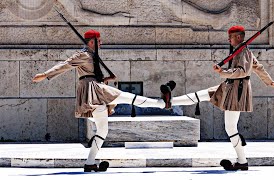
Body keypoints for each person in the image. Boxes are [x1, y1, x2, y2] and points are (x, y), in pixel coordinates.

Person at [32, 29, 172, 172]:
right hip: (94, 90)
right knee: (127, 97)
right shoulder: (84, 55)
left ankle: (90, 163)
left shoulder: (92, 55)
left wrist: (107, 79)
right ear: (92, 42)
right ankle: (161, 103)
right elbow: (65, 65)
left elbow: (91, 74)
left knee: (103, 130)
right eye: (99, 41)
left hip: (94, 90)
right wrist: (45, 75)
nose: (101, 43)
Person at [165, 25, 274, 171]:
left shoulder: (244, 52)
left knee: (230, 127)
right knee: (202, 94)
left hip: (236, 91)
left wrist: (223, 71)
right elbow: (258, 67)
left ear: (238, 37)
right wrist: (270, 81)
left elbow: (242, 71)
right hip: (228, 86)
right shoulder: (242, 51)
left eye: (231, 37)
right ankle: (170, 101)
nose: (228, 39)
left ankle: (242, 161)